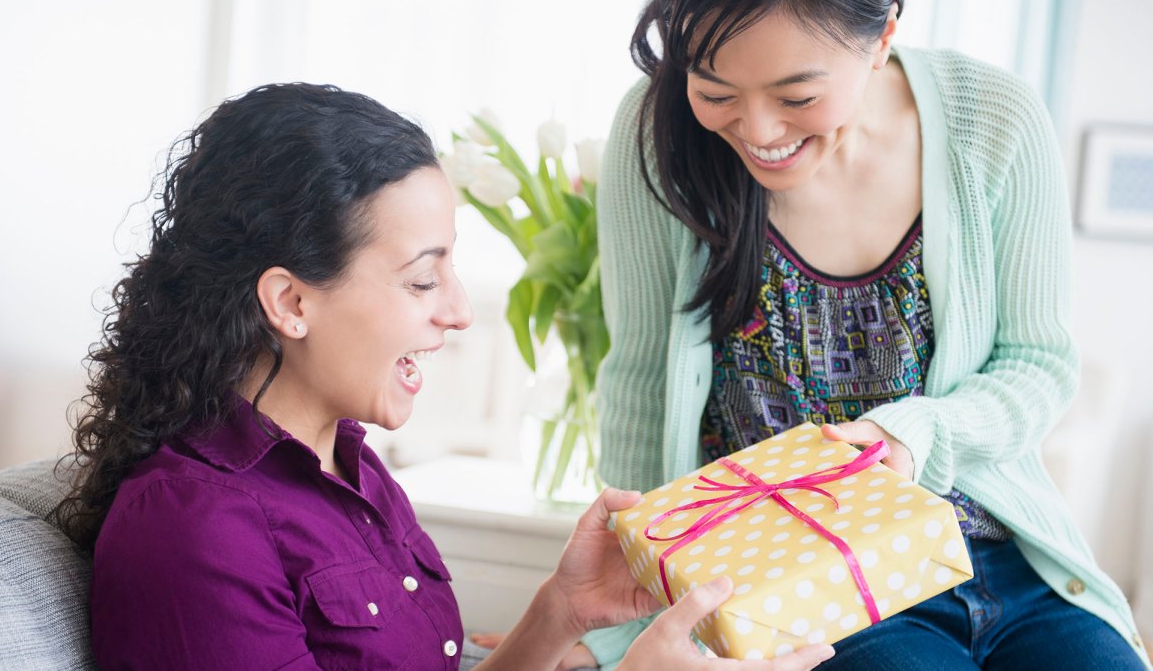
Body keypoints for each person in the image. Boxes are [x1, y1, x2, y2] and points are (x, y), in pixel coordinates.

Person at [52, 82, 836, 671]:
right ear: (290, 301)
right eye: (423, 281)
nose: (459, 312)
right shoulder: (192, 527)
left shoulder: (350, 468)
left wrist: (555, 614)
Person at [571, 0, 1151, 668]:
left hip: (1007, 562)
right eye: (716, 90)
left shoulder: (994, 119)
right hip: (806, 585)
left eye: (797, 94)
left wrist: (916, 435)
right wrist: (614, 637)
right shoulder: (657, 133)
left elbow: (1038, 364)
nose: (757, 128)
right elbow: (639, 388)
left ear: (881, 41)